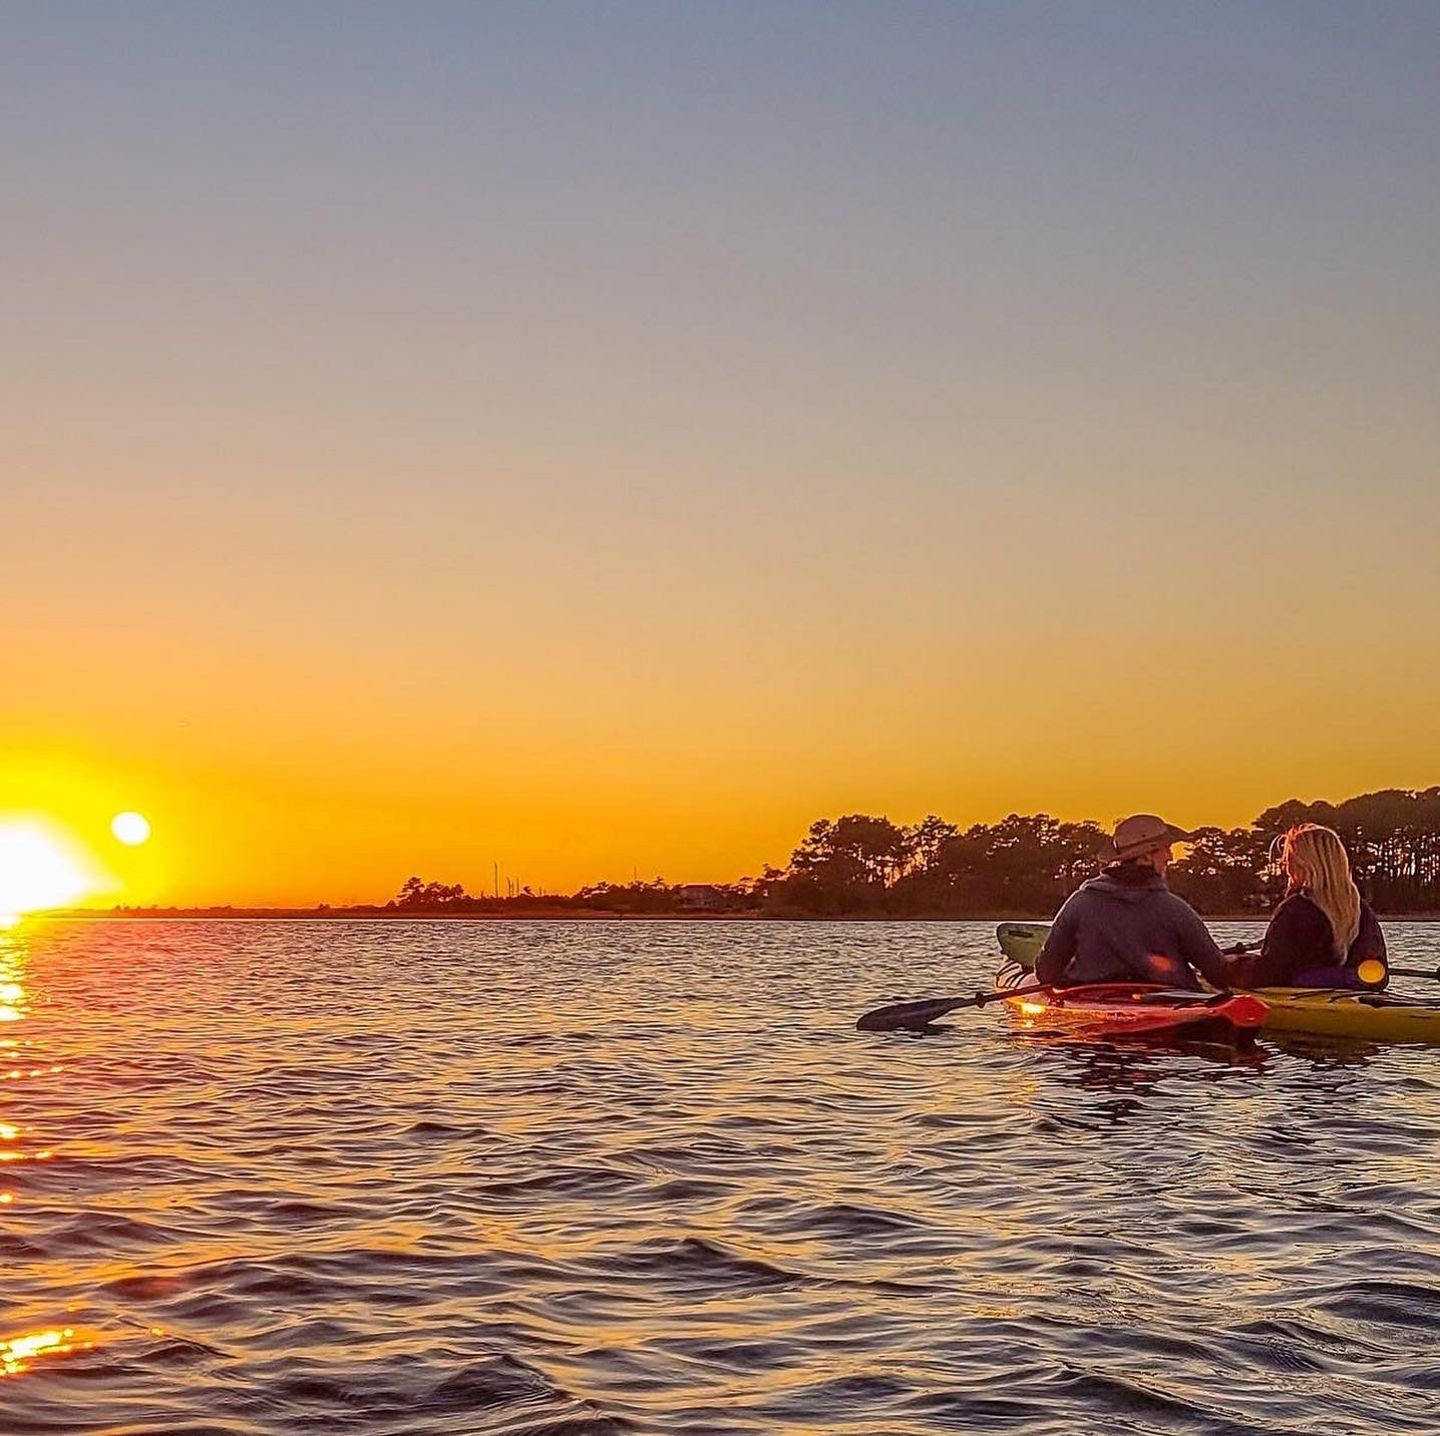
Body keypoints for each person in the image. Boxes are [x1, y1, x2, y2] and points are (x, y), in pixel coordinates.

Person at [1034, 814, 1229, 990]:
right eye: (1166, 849)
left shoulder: (1079, 904)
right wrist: (1235, 966)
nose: (1170, 856)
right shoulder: (1176, 909)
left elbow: (1046, 973)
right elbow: (1219, 975)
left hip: (1095, 1001)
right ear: (1146, 857)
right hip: (1169, 1005)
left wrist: (1075, 971)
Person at [1231, 825, 1387, 990]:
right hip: (1348, 992)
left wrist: (1232, 966)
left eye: (1289, 859)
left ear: (1302, 864)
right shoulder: (1361, 910)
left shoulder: (1296, 910)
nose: (1285, 866)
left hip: (1302, 995)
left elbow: (1271, 973)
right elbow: (1377, 976)